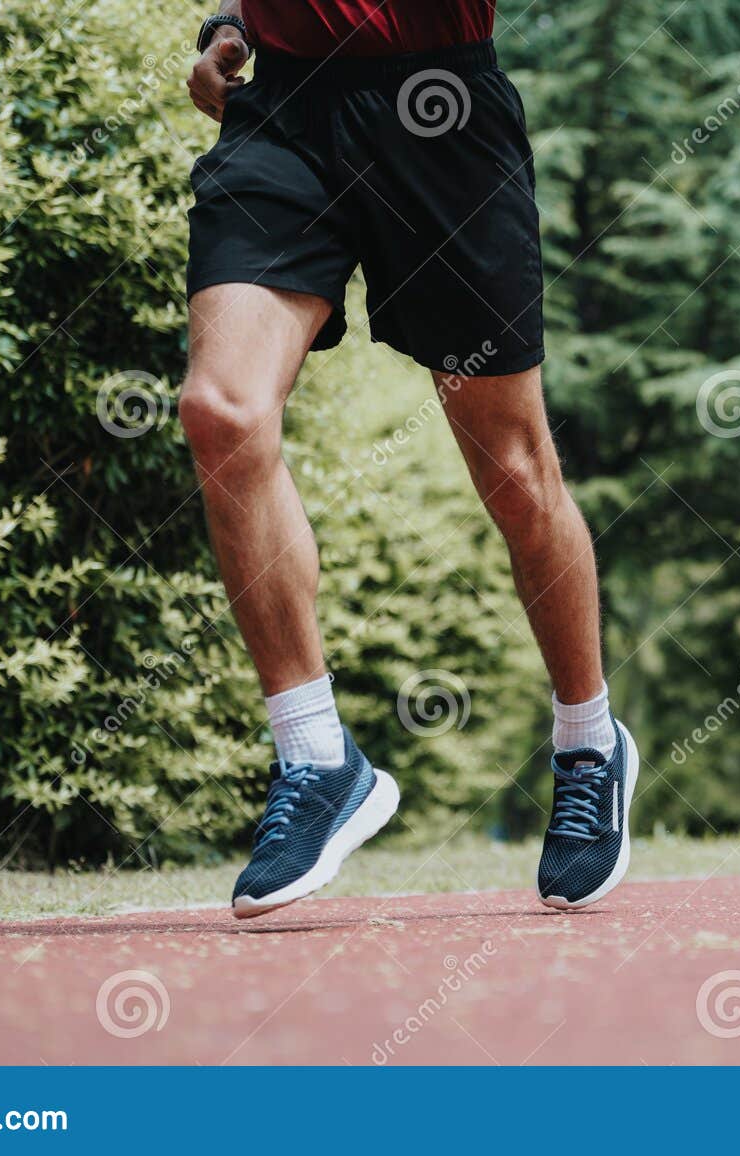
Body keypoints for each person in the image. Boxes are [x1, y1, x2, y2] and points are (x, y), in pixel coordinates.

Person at [181, 1, 637, 917]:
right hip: (287, 109)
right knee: (220, 413)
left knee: (512, 469)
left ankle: (589, 740)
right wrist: (230, 20)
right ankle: (316, 759)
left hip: (443, 110)